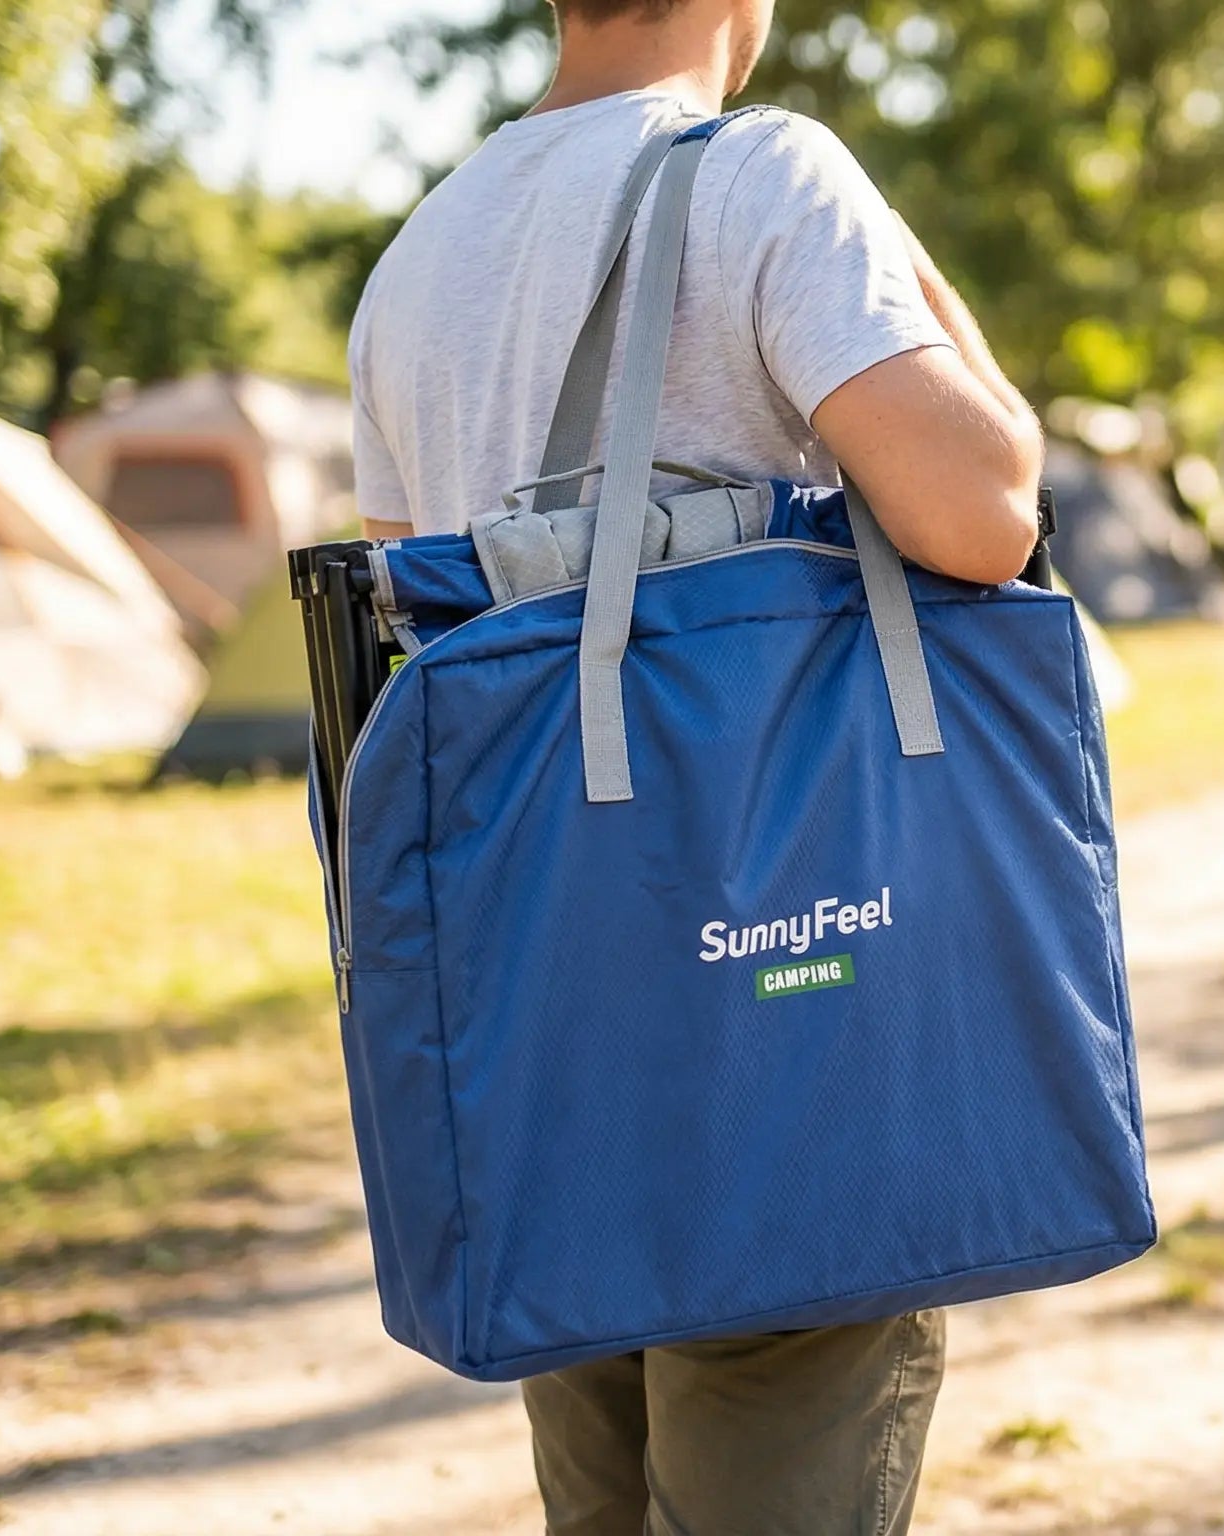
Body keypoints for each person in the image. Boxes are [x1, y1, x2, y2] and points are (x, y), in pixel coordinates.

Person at [344, 0, 1047, 1528]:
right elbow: (988, 512)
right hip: (775, 970)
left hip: (544, 995)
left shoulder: (417, 260)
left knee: (600, 1478)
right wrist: (915, 285)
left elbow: (441, 658)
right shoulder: (767, 177)